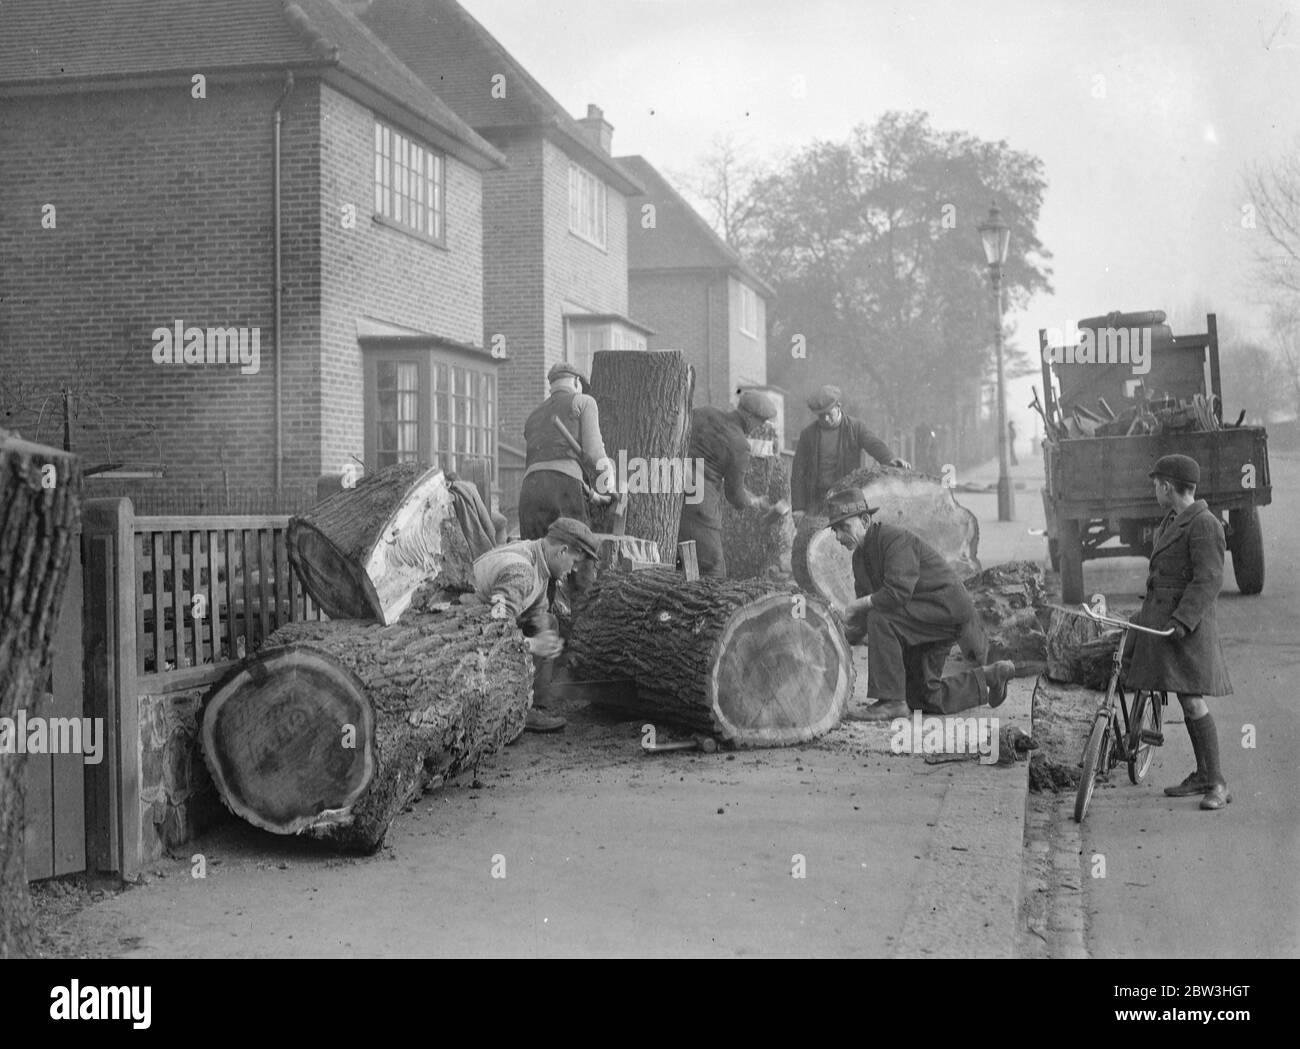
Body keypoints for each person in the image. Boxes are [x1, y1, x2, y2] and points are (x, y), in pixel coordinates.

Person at [825, 488, 1015, 721]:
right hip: (921, 621)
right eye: (835, 530)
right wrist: (840, 632)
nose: (839, 536)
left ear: (865, 520)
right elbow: (864, 619)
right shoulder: (859, 560)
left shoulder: (893, 539)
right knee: (922, 697)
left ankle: (891, 702)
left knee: (880, 617)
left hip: (945, 610)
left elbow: (897, 594)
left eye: (844, 527)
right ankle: (990, 677)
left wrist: (857, 605)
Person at [1122, 454, 1233, 810]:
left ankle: (1217, 782)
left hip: (1187, 627)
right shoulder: (1173, 519)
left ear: (1168, 486)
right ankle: (1203, 775)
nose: (1154, 489)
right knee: (1186, 699)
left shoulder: (1204, 524)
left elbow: (1208, 580)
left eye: (1156, 484)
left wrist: (1182, 622)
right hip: (1166, 623)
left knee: (1194, 699)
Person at [471, 516, 600, 733]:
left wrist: (543, 632)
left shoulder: (537, 557)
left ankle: (531, 703)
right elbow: (493, 634)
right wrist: (532, 644)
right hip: (468, 637)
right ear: (562, 551)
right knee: (531, 638)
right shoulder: (520, 571)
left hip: (487, 625)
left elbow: (537, 606)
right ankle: (512, 710)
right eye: (575, 562)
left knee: (549, 623)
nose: (574, 569)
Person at [678, 390, 789, 579]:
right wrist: (756, 502)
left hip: (673, 502)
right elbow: (735, 496)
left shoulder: (705, 412)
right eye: (759, 421)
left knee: (683, 568)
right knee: (713, 571)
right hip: (700, 514)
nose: (758, 427)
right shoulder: (740, 444)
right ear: (748, 416)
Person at [518, 362, 614, 539]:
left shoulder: (533, 415)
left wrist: (590, 493)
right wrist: (610, 478)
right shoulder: (584, 401)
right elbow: (594, 455)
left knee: (537, 555)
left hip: (529, 491)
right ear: (577, 381)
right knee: (575, 553)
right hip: (562, 489)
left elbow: (545, 465)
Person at [792, 385, 911, 521]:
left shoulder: (855, 428)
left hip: (847, 497)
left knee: (849, 536)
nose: (825, 419)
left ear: (839, 407)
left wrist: (890, 459)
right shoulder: (808, 435)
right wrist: (798, 508)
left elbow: (873, 443)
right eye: (821, 415)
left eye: (828, 414)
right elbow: (798, 472)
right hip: (816, 500)